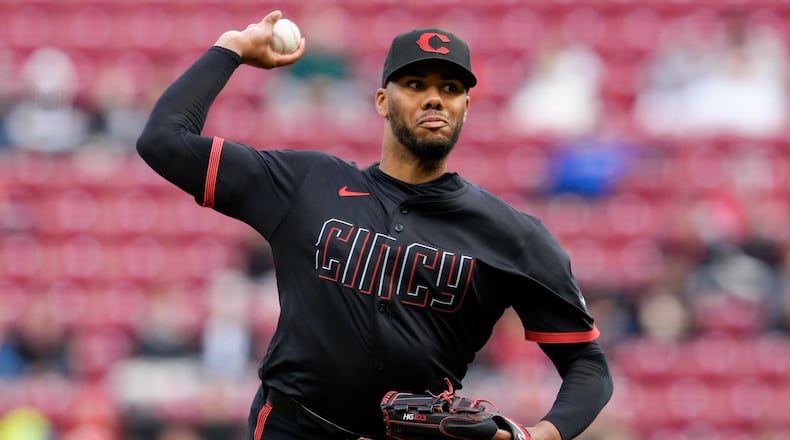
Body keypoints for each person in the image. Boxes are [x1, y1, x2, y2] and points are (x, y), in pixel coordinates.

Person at [136, 10, 613, 440]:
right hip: (291, 427)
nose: (434, 99)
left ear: (466, 107)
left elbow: (588, 366)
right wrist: (231, 48)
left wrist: (538, 435)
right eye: (416, 84)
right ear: (383, 100)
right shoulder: (307, 184)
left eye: (450, 89)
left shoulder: (511, 234)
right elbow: (163, 141)